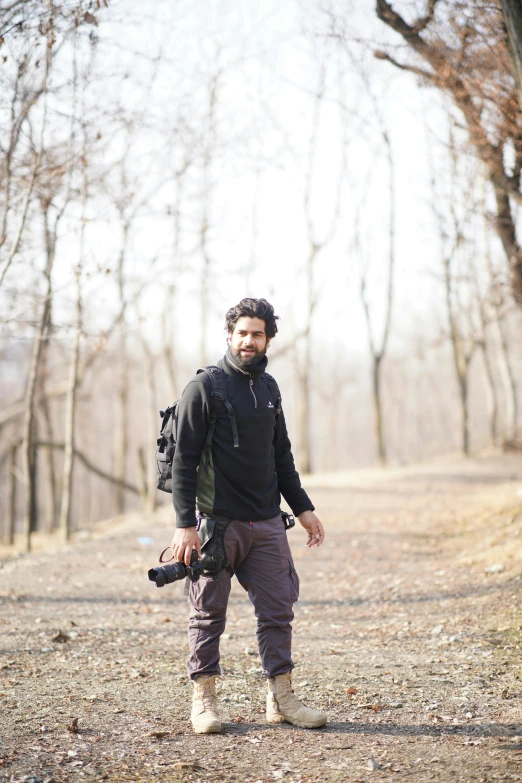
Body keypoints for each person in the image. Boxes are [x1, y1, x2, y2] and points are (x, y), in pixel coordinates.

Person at [171, 297, 326, 734]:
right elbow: (184, 461)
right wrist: (185, 525)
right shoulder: (206, 387)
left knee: (279, 611)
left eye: (257, 334)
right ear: (229, 336)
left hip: (267, 524)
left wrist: (304, 508)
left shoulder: (270, 388)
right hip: (216, 525)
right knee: (207, 615)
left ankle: (281, 698)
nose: (248, 341)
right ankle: (203, 700)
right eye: (241, 333)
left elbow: (282, 455)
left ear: (268, 339)